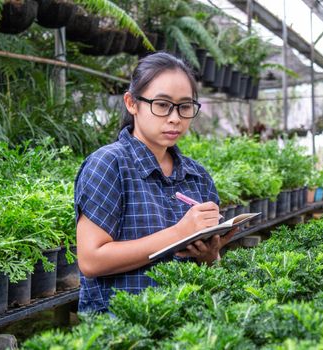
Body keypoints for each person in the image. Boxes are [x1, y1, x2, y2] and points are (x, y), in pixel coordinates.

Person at [74, 52, 235, 313]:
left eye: (185, 106)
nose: (175, 118)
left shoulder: (197, 176)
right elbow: (91, 260)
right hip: (123, 331)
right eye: (162, 104)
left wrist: (209, 255)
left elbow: (211, 267)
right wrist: (178, 234)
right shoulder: (109, 165)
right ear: (131, 103)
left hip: (187, 327)